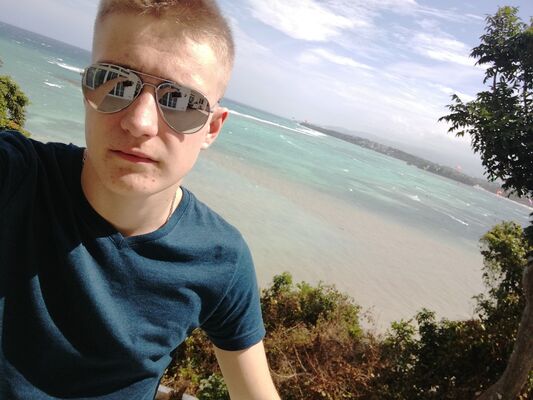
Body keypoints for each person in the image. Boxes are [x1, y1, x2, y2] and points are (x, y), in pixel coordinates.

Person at [0, 1, 280, 399]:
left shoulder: (220, 258)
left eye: (180, 101)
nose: (139, 122)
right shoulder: (16, 179)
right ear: (87, 88)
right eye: (115, 81)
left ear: (212, 128)